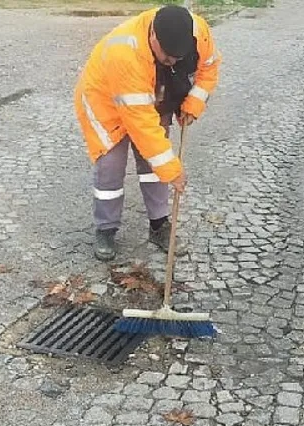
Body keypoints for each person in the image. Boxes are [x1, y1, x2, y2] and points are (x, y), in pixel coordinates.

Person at [73, 4, 221, 261]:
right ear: (153, 36)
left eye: (178, 56)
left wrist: (193, 103)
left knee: (152, 168)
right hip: (106, 102)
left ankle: (159, 225)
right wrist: (172, 171)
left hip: (153, 94)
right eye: (168, 57)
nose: (173, 62)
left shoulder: (198, 33)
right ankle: (106, 229)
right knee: (111, 168)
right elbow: (141, 124)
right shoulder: (125, 52)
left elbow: (209, 68)